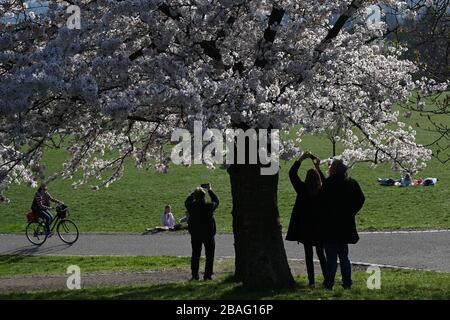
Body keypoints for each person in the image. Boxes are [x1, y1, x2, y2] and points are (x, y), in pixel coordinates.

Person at [319, 159, 365, 290]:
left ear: (333, 170)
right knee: (344, 256)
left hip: (330, 225)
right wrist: (351, 211)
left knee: (331, 258)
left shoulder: (328, 184)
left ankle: (328, 284)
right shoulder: (351, 183)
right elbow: (361, 199)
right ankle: (347, 283)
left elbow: (320, 202)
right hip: (345, 224)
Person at [286, 151, 327, 289]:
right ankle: (327, 279)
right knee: (321, 254)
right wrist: (318, 168)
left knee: (308, 255)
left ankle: (311, 282)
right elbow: (326, 183)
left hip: (305, 227)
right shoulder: (322, 192)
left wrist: (301, 159)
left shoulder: (302, 189)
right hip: (320, 227)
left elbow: (292, 174)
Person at [185, 184, 219, 281]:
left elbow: (187, 201)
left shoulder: (191, 206)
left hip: (195, 234)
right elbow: (216, 201)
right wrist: (210, 190)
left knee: (195, 254)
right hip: (208, 234)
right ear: (204, 197)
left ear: (195, 197)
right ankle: (207, 275)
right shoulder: (209, 206)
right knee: (210, 255)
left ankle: (195, 275)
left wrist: (194, 192)